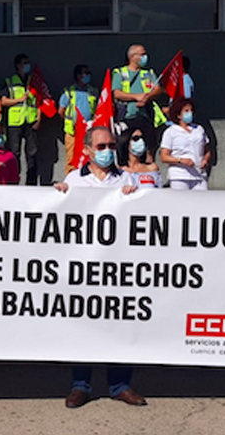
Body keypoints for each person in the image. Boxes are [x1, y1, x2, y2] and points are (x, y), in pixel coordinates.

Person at [53, 126, 146, 408]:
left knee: (120, 325)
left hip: (118, 266)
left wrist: (135, 195)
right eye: (101, 146)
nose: (107, 151)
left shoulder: (126, 178)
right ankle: (80, 385)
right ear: (87, 150)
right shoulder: (74, 179)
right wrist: (59, 195)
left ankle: (120, 385)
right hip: (84, 267)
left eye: (111, 146)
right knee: (83, 325)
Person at [112, 44, 166, 167]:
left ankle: (148, 167)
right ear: (132, 57)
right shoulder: (120, 72)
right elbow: (117, 93)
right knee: (123, 144)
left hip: (145, 115)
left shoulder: (148, 73)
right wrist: (136, 96)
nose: (145, 57)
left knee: (150, 144)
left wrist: (146, 97)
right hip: (127, 115)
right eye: (142, 54)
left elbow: (158, 89)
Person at [0, 54, 41, 185]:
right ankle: (13, 182)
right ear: (18, 65)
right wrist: (19, 99)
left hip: (30, 121)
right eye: (24, 63)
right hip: (15, 122)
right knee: (14, 153)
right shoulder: (10, 81)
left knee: (32, 153)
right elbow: (3, 101)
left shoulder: (33, 81)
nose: (27, 65)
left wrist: (38, 118)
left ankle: (31, 183)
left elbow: (40, 101)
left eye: (28, 63)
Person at [160, 97, 210, 190]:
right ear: (179, 115)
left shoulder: (199, 129)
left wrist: (205, 160)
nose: (190, 113)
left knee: (203, 198)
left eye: (191, 110)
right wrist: (181, 160)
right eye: (186, 111)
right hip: (179, 175)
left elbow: (207, 150)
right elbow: (164, 156)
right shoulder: (170, 132)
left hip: (199, 175)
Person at [58, 64, 98, 174]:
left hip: (88, 130)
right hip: (73, 131)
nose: (88, 76)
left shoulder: (92, 91)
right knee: (71, 158)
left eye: (89, 73)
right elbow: (61, 111)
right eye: (86, 73)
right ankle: (70, 180)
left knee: (89, 156)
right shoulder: (68, 91)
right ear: (78, 75)